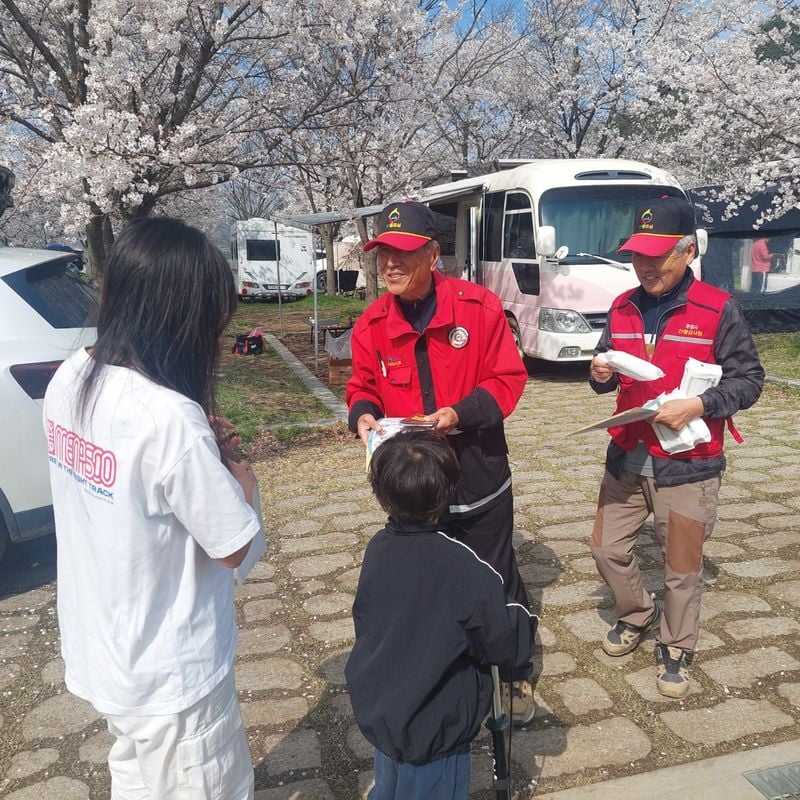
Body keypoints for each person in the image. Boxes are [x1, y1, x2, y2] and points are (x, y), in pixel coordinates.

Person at [44, 217, 262, 799]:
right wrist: (237, 470)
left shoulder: (71, 377)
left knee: (137, 783)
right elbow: (234, 543)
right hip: (174, 675)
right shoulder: (169, 418)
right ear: (180, 317)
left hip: (109, 654)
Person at [345, 200, 534, 723]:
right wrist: (362, 416)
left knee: (495, 573)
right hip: (416, 487)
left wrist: (458, 414)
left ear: (433, 254)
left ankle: (515, 674)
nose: (390, 264)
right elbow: (362, 386)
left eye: (404, 252)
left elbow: (507, 381)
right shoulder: (371, 324)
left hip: (479, 474)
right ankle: (447, 662)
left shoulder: (479, 309)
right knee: (427, 578)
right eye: (383, 252)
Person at [589, 196, 764, 698]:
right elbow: (608, 369)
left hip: (689, 465)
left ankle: (677, 644)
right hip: (626, 455)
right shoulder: (622, 306)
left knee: (681, 567)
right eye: (638, 255)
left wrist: (701, 404)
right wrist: (599, 372)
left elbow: (749, 381)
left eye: (658, 256)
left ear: (687, 252)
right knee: (605, 548)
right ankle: (636, 613)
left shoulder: (717, 308)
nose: (645, 266)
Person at [346, 429, 536, 800]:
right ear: (449, 491)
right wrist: (521, 622)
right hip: (435, 725)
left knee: (388, 786)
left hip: (385, 709)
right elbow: (504, 644)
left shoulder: (378, 548)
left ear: (381, 495)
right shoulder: (465, 567)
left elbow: (364, 617)